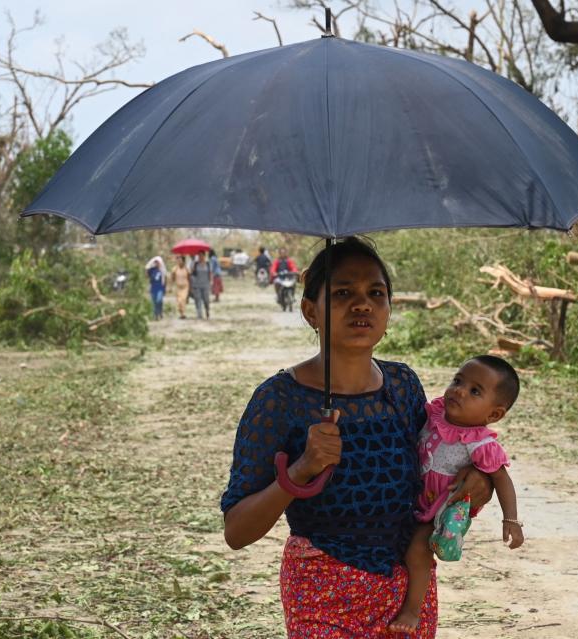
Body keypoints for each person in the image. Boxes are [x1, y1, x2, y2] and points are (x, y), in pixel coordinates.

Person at [221, 237, 493, 638]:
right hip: (321, 591)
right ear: (310, 311)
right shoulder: (279, 400)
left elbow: (439, 467)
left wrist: (480, 480)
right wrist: (300, 471)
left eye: (375, 293)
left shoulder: (403, 386)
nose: (362, 304)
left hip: (406, 594)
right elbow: (236, 532)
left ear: (388, 309)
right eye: (343, 292)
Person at [389, 355, 525, 634]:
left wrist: (511, 520)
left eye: (475, 391)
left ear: (494, 414)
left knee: (418, 551)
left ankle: (412, 610)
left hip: (439, 508)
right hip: (411, 498)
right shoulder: (435, 414)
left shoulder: (480, 443)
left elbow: (502, 479)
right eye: (458, 381)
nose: (459, 391)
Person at [190, 251, 212, 320]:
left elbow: (210, 274)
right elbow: (192, 273)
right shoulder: (195, 264)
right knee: (198, 300)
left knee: (206, 300)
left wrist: (211, 282)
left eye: (202, 255)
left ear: (204, 256)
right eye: (199, 256)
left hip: (206, 285)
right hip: (197, 285)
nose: (200, 257)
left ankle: (207, 310)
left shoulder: (208, 264)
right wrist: (193, 265)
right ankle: (199, 314)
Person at [145, 256, 166, 320]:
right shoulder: (152, 270)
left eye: (158, 262)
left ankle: (160, 312)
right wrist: (147, 267)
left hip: (160, 288)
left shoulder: (162, 271)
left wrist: (164, 289)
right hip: (153, 288)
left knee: (159, 301)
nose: (157, 263)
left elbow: (165, 280)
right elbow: (146, 275)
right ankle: (156, 315)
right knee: (154, 302)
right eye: (155, 262)